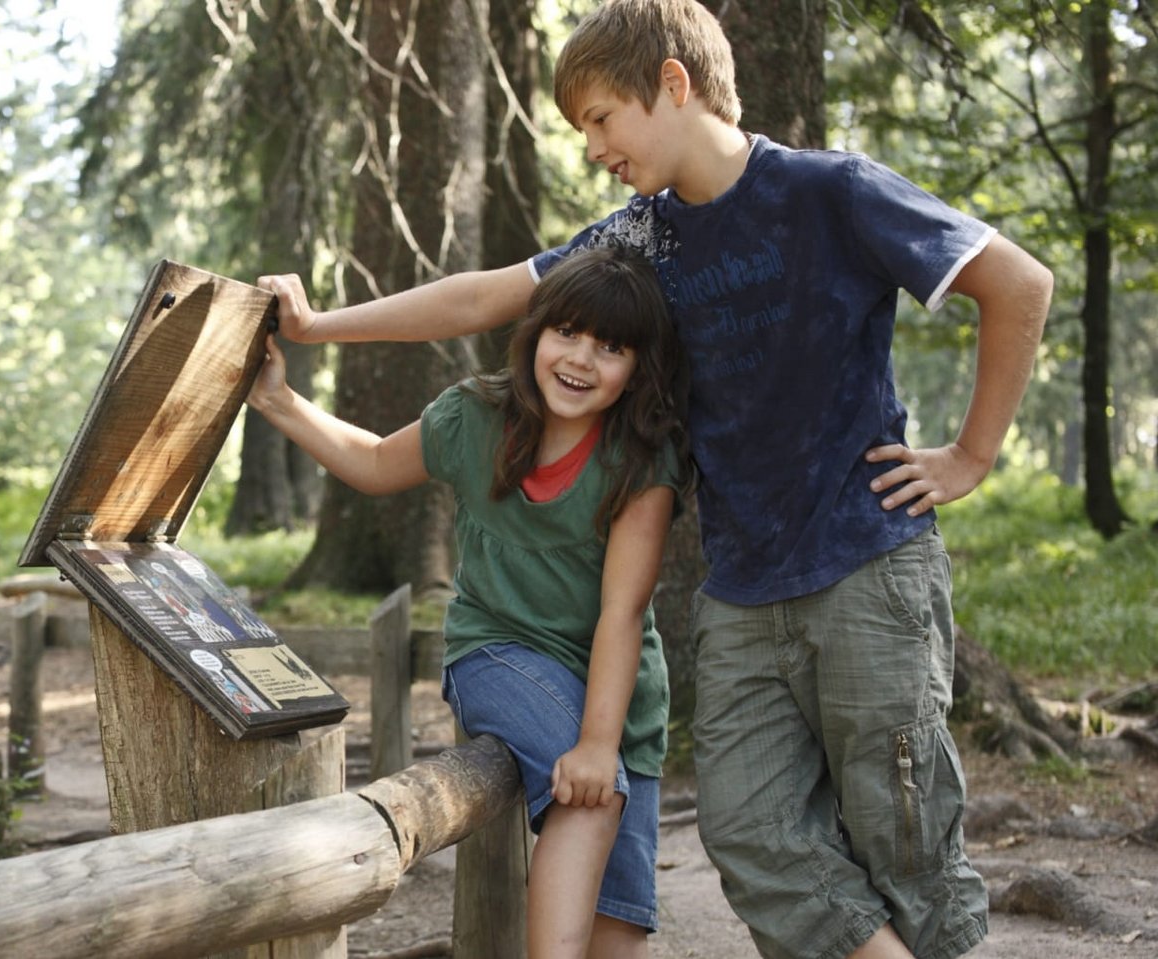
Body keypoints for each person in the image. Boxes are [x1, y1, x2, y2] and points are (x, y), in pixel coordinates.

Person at [259, 3, 1055, 956]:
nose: (593, 147)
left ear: (673, 85)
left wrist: (970, 456)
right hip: (742, 595)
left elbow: (1017, 282)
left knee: (902, 828)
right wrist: (319, 328)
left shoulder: (829, 191)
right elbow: (486, 295)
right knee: (751, 830)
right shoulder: (642, 238)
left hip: (867, 568)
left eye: (601, 119)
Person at [252, 246, 688, 959]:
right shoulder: (477, 416)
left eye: (611, 347)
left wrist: (601, 739)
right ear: (536, 331)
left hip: (619, 694)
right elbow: (370, 462)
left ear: (639, 366)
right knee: (593, 792)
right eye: (568, 332)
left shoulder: (643, 457)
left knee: (619, 932)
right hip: (500, 652)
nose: (581, 358)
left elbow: (623, 611)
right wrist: (278, 399)